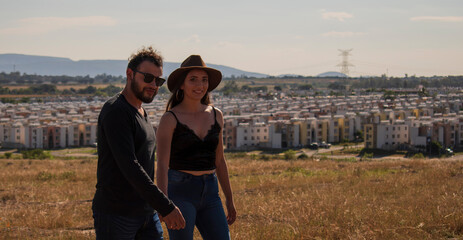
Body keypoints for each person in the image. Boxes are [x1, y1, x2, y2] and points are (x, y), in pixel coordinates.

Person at [92, 46, 185, 240]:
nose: (153, 85)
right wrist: (165, 206)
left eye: (158, 81)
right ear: (129, 74)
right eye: (148, 78)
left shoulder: (141, 112)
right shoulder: (116, 111)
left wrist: (155, 205)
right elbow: (129, 165)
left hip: (145, 212)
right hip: (117, 213)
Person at [156, 55, 237, 239]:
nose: (199, 85)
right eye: (193, 79)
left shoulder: (217, 115)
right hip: (179, 193)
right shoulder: (170, 119)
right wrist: (164, 204)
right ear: (182, 85)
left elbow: (219, 160)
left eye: (204, 80)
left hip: (210, 192)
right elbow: (161, 164)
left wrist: (230, 200)